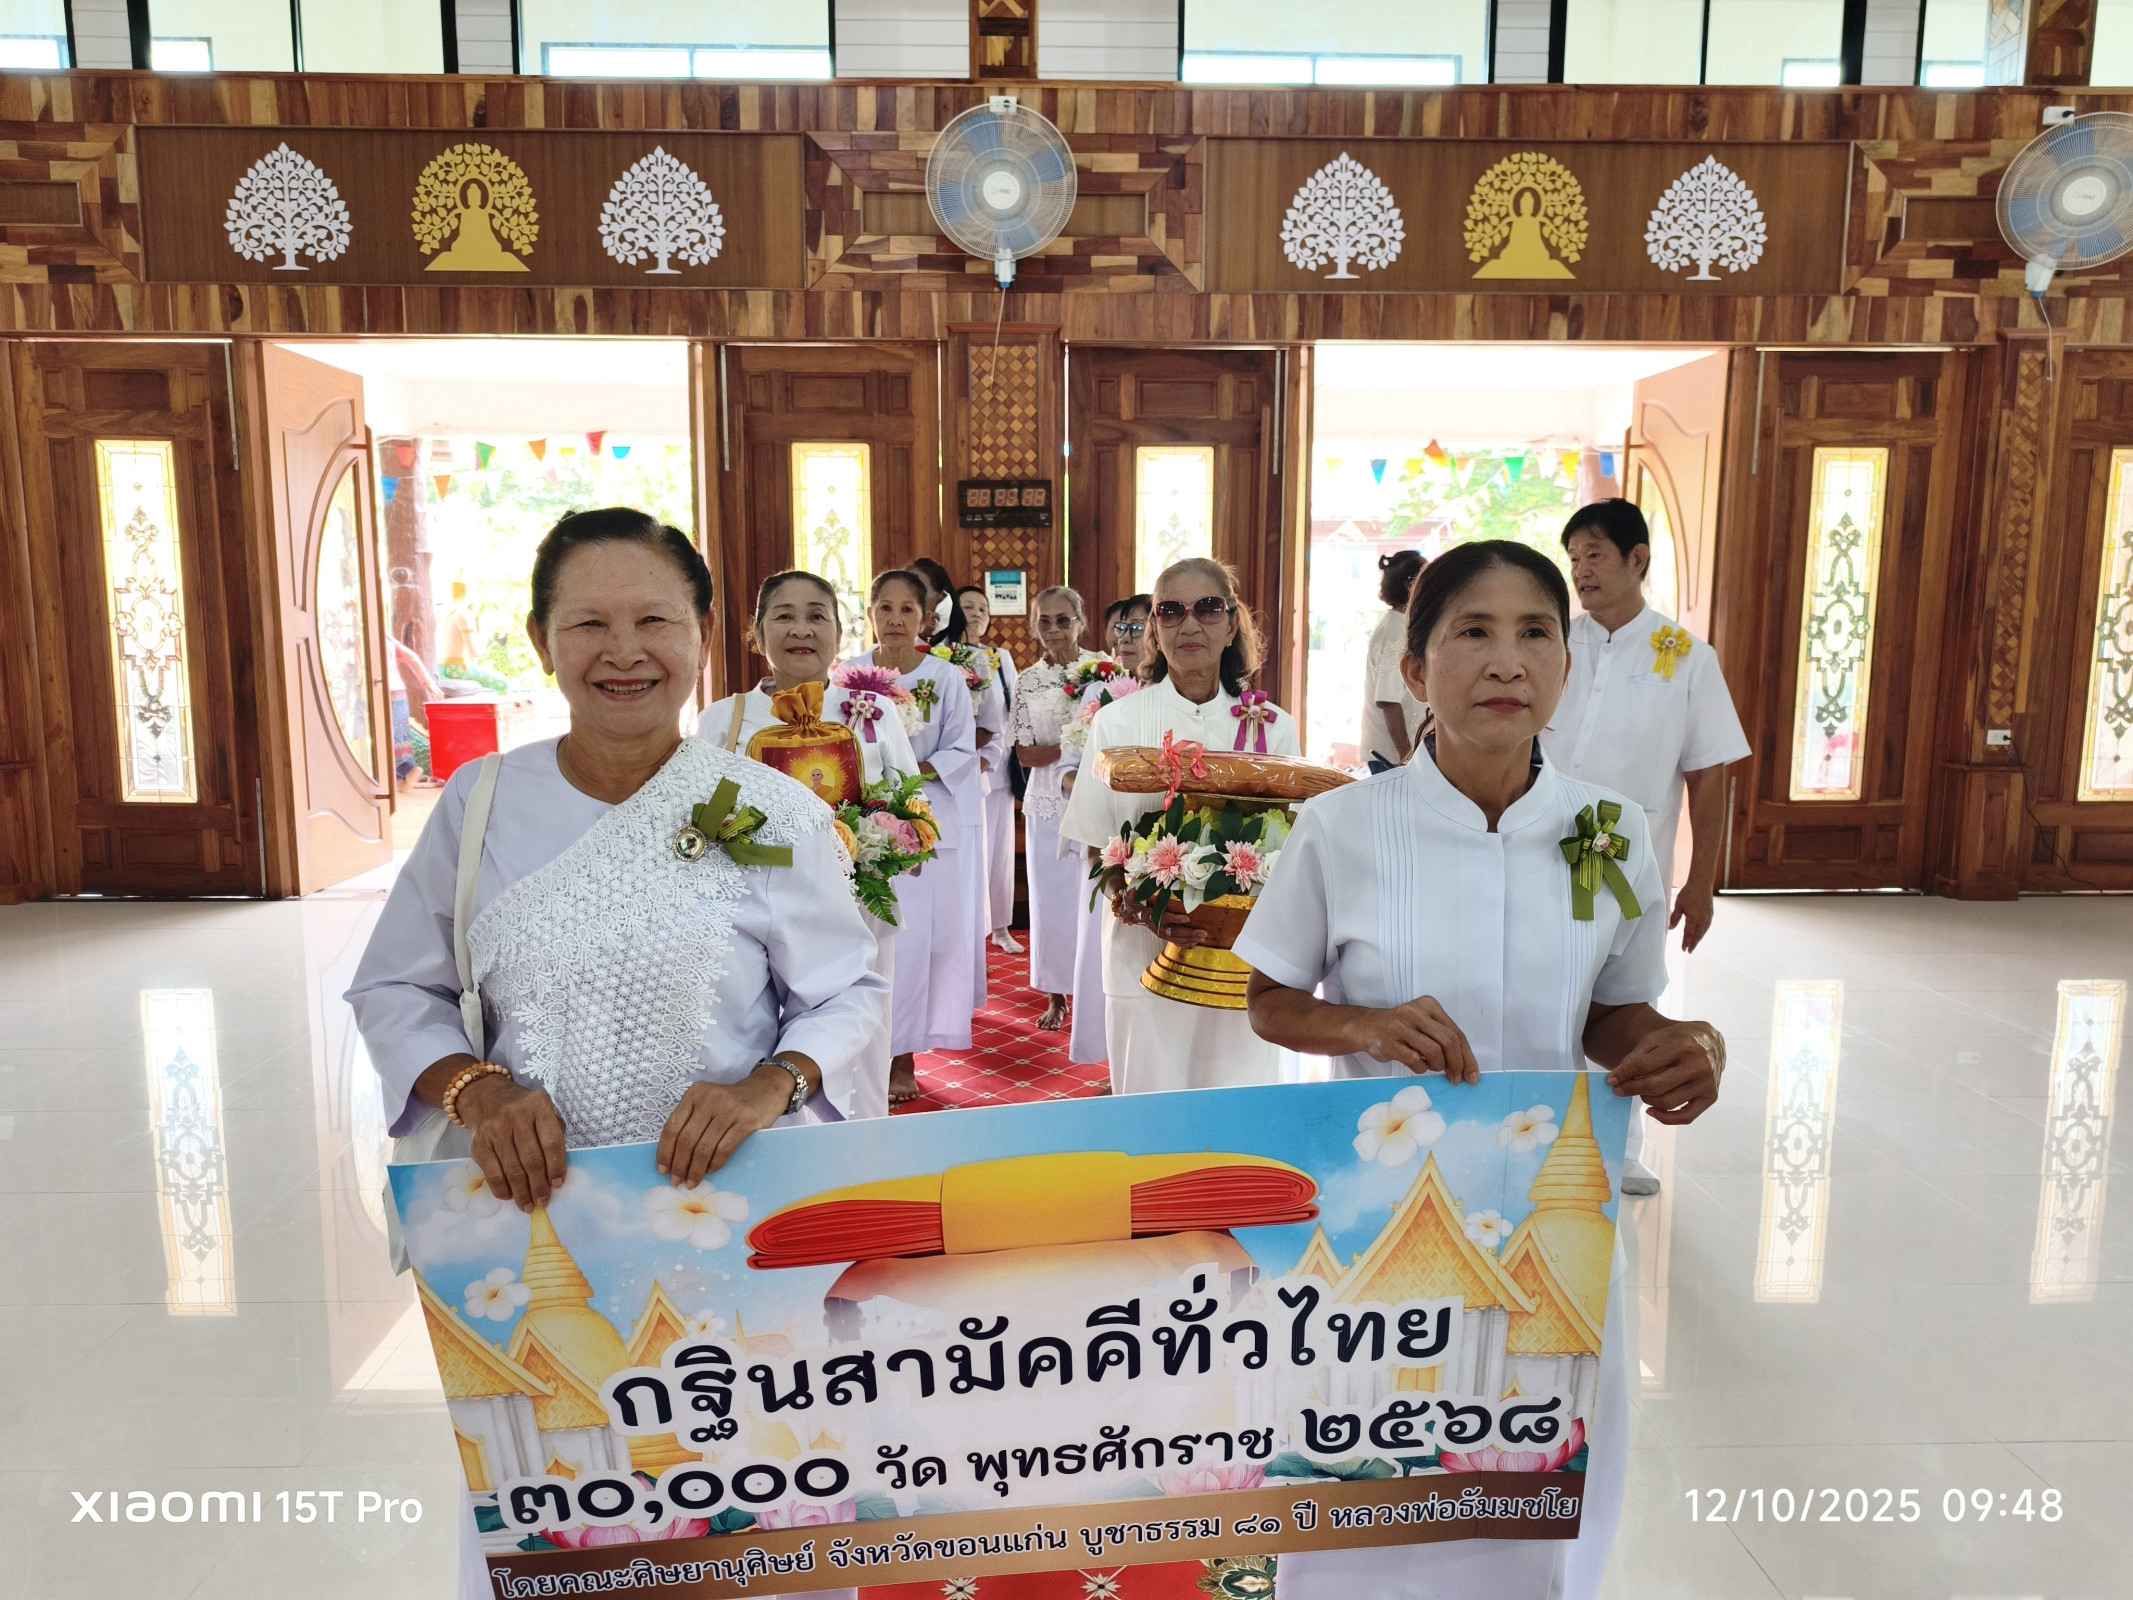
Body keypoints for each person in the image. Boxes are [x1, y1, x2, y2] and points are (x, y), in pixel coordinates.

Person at [344, 509, 888, 1600]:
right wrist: (474, 1083)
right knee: (561, 1507)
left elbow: (848, 992)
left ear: (703, 633)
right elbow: (395, 983)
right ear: (541, 638)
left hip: (726, 1220)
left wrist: (768, 1084)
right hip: (534, 1222)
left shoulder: (754, 809)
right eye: (588, 622)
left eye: (654, 619)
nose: (623, 650)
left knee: (744, 1504)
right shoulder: (481, 803)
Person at [1233, 539, 1724, 1600]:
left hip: (1553, 1216)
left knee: (1532, 1474)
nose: (1508, 662)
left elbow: (1613, 1010)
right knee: (1370, 1462)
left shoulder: (1609, 831)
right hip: (1381, 1217)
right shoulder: (1341, 828)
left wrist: (1686, 1049)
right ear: (1415, 672)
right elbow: (1267, 997)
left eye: (1536, 633)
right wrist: (1361, 1026)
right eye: (1474, 632)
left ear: (1567, 667)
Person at [1541, 498, 1749, 1197]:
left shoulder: (1684, 657)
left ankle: (1615, 1146)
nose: (1580, 570)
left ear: (1637, 559)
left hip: (1628, 860)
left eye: (1594, 554)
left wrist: (1702, 881)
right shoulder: (1552, 646)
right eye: (1572, 558)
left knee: (1622, 999)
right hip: (1538, 847)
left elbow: (1709, 772)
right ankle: (1536, 1133)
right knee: (1542, 988)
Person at [1059, 560, 1298, 1094]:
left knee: (1235, 1104)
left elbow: (1292, 846)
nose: (1190, 626)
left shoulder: (1273, 726)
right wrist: (1135, 905)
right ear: (1155, 629)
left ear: (1232, 625)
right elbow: (1100, 843)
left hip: (1241, 955)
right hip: (1143, 946)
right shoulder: (1116, 722)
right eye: (1171, 611)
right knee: (1151, 1107)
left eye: (1208, 609)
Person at [702, 570, 923, 1120]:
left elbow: (910, 804)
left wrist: (888, 843)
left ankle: (868, 1163)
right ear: (757, 632)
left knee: (863, 1039)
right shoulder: (723, 721)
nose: (801, 629)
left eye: (817, 615)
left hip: (858, 912)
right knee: (759, 1039)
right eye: (784, 616)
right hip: (754, 921)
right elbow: (700, 821)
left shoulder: (872, 713)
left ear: (839, 632)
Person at [859, 570, 982, 1105]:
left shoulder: (946, 677)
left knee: (916, 945)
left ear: (925, 619)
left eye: (907, 609)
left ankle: (904, 1054)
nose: (894, 619)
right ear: (869, 615)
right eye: (884, 608)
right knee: (869, 939)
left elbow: (961, 747)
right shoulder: (848, 675)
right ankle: (865, 1052)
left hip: (928, 821)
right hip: (863, 824)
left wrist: (910, 770)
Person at [1006, 586, 1101, 1031]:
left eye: (1064, 620)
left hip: (1093, 795)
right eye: (1045, 621)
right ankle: (1056, 995)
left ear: (1081, 621)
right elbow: (1024, 754)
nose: (1055, 630)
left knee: (1093, 900)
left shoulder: (1102, 672)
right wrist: (1070, 746)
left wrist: (1080, 750)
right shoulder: (1027, 681)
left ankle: (1095, 990)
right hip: (1045, 802)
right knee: (1052, 904)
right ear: (1035, 626)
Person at [1063, 594, 1149, 1068]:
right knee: (1111, 949)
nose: (1128, 639)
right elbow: (1076, 761)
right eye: (1121, 629)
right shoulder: (1099, 695)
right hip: (1110, 841)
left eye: (1138, 628)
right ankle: (1111, 1058)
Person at [949, 583, 1025, 957]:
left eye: (982, 608)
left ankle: (1000, 927)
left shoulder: (1000, 656)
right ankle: (969, 937)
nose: (976, 613)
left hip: (995, 768)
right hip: (957, 770)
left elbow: (1015, 711)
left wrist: (995, 754)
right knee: (968, 857)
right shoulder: (941, 656)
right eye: (967, 606)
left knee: (998, 855)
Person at [1362, 548, 1426, 771]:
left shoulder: (1401, 624)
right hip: (1392, 757)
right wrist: (1406, 755)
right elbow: (1388, 700)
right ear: (1411, 585)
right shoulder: (1395, 630)